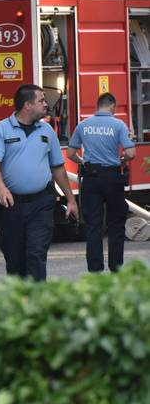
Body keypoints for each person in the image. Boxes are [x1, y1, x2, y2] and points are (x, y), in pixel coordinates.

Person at [0, 84, 78, 281]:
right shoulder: (1, 129)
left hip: (41, 204)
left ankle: (37, 306)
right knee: (15, 260)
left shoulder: (47, 130)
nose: (46, 105)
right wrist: (1, 188)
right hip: (11, 206)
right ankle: (20, 306)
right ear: (27, 105)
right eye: (41, 100)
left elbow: (58, 167)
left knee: (36, 254)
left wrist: (70, 199)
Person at [65, 92, 136, 272]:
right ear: (112, 106)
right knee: (116, 224)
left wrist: (84, 162)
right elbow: (131, 153)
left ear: (98, 106)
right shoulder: (118, 125)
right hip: (112, 178)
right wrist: (121, 160)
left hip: (90, 179)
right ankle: (116, 268)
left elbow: (71, 154)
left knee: (94, 226)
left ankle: (95, 269)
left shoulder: (83, 125)